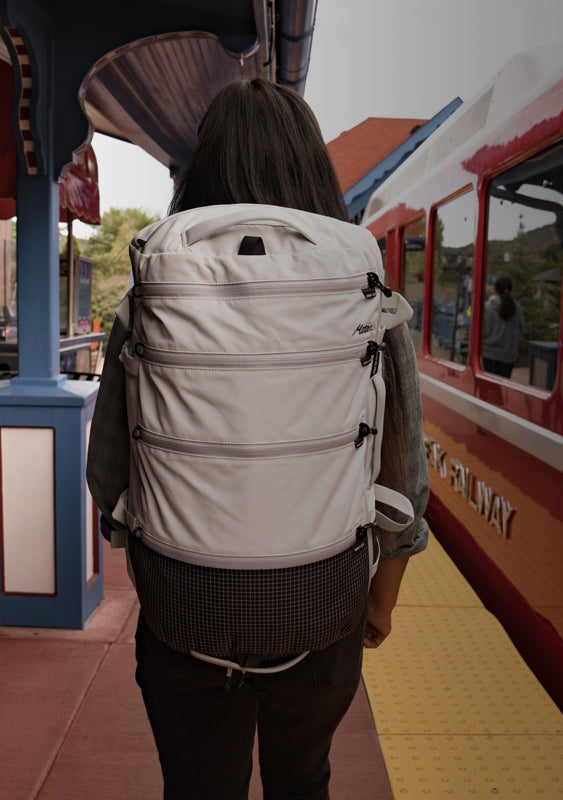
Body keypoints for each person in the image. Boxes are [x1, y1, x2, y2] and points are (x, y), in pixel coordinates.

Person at [86, 78, 429, 800]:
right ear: (312, 167)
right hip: (323, 609)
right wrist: (379, 603)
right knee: (303, 780)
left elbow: (108, 474)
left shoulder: (150, 289)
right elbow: (404, 471)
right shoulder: (364, 290)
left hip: (184, 613)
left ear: (202, 170)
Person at [482, 276, 524, 377]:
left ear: (495, 290)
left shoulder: (487, 307)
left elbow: (481, 330)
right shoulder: (517, 307)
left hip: (488, 354)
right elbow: (521, 327)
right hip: (507, 357)